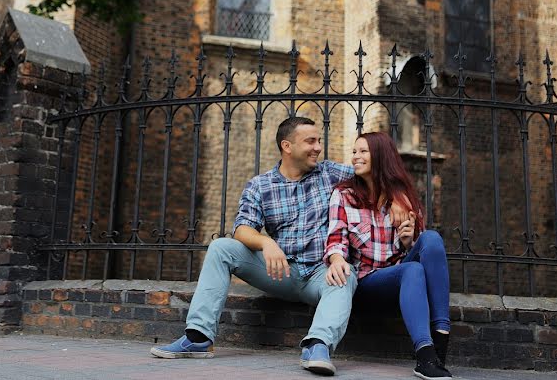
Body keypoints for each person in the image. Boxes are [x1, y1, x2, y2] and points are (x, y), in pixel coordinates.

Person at [151, 116, 406, 375]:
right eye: (310, 141)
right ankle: (198, 338)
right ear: (287, 146)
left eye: (319, 140)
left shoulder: (330, 173)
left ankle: (317, 346)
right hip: (279, 271)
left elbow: (378, 174)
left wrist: (397, 198)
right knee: (221, 248)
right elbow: (242, 228)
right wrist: (266, 242)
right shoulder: (260, 186)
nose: (318, 147)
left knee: (345, 274)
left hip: (321, 275)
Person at [324, 132, 452, 380]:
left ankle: (440, 343)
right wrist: (337, 259)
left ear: (381, 156)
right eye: (354, 151)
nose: (356, 157)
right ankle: (426, 355)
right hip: (366, 280)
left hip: (400, 276)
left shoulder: (402, 199)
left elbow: (421, 252)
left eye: (363, 151)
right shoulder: (344, 195)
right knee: (412, 270)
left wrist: (407, 243)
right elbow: (336, 238)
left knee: (431, 239)